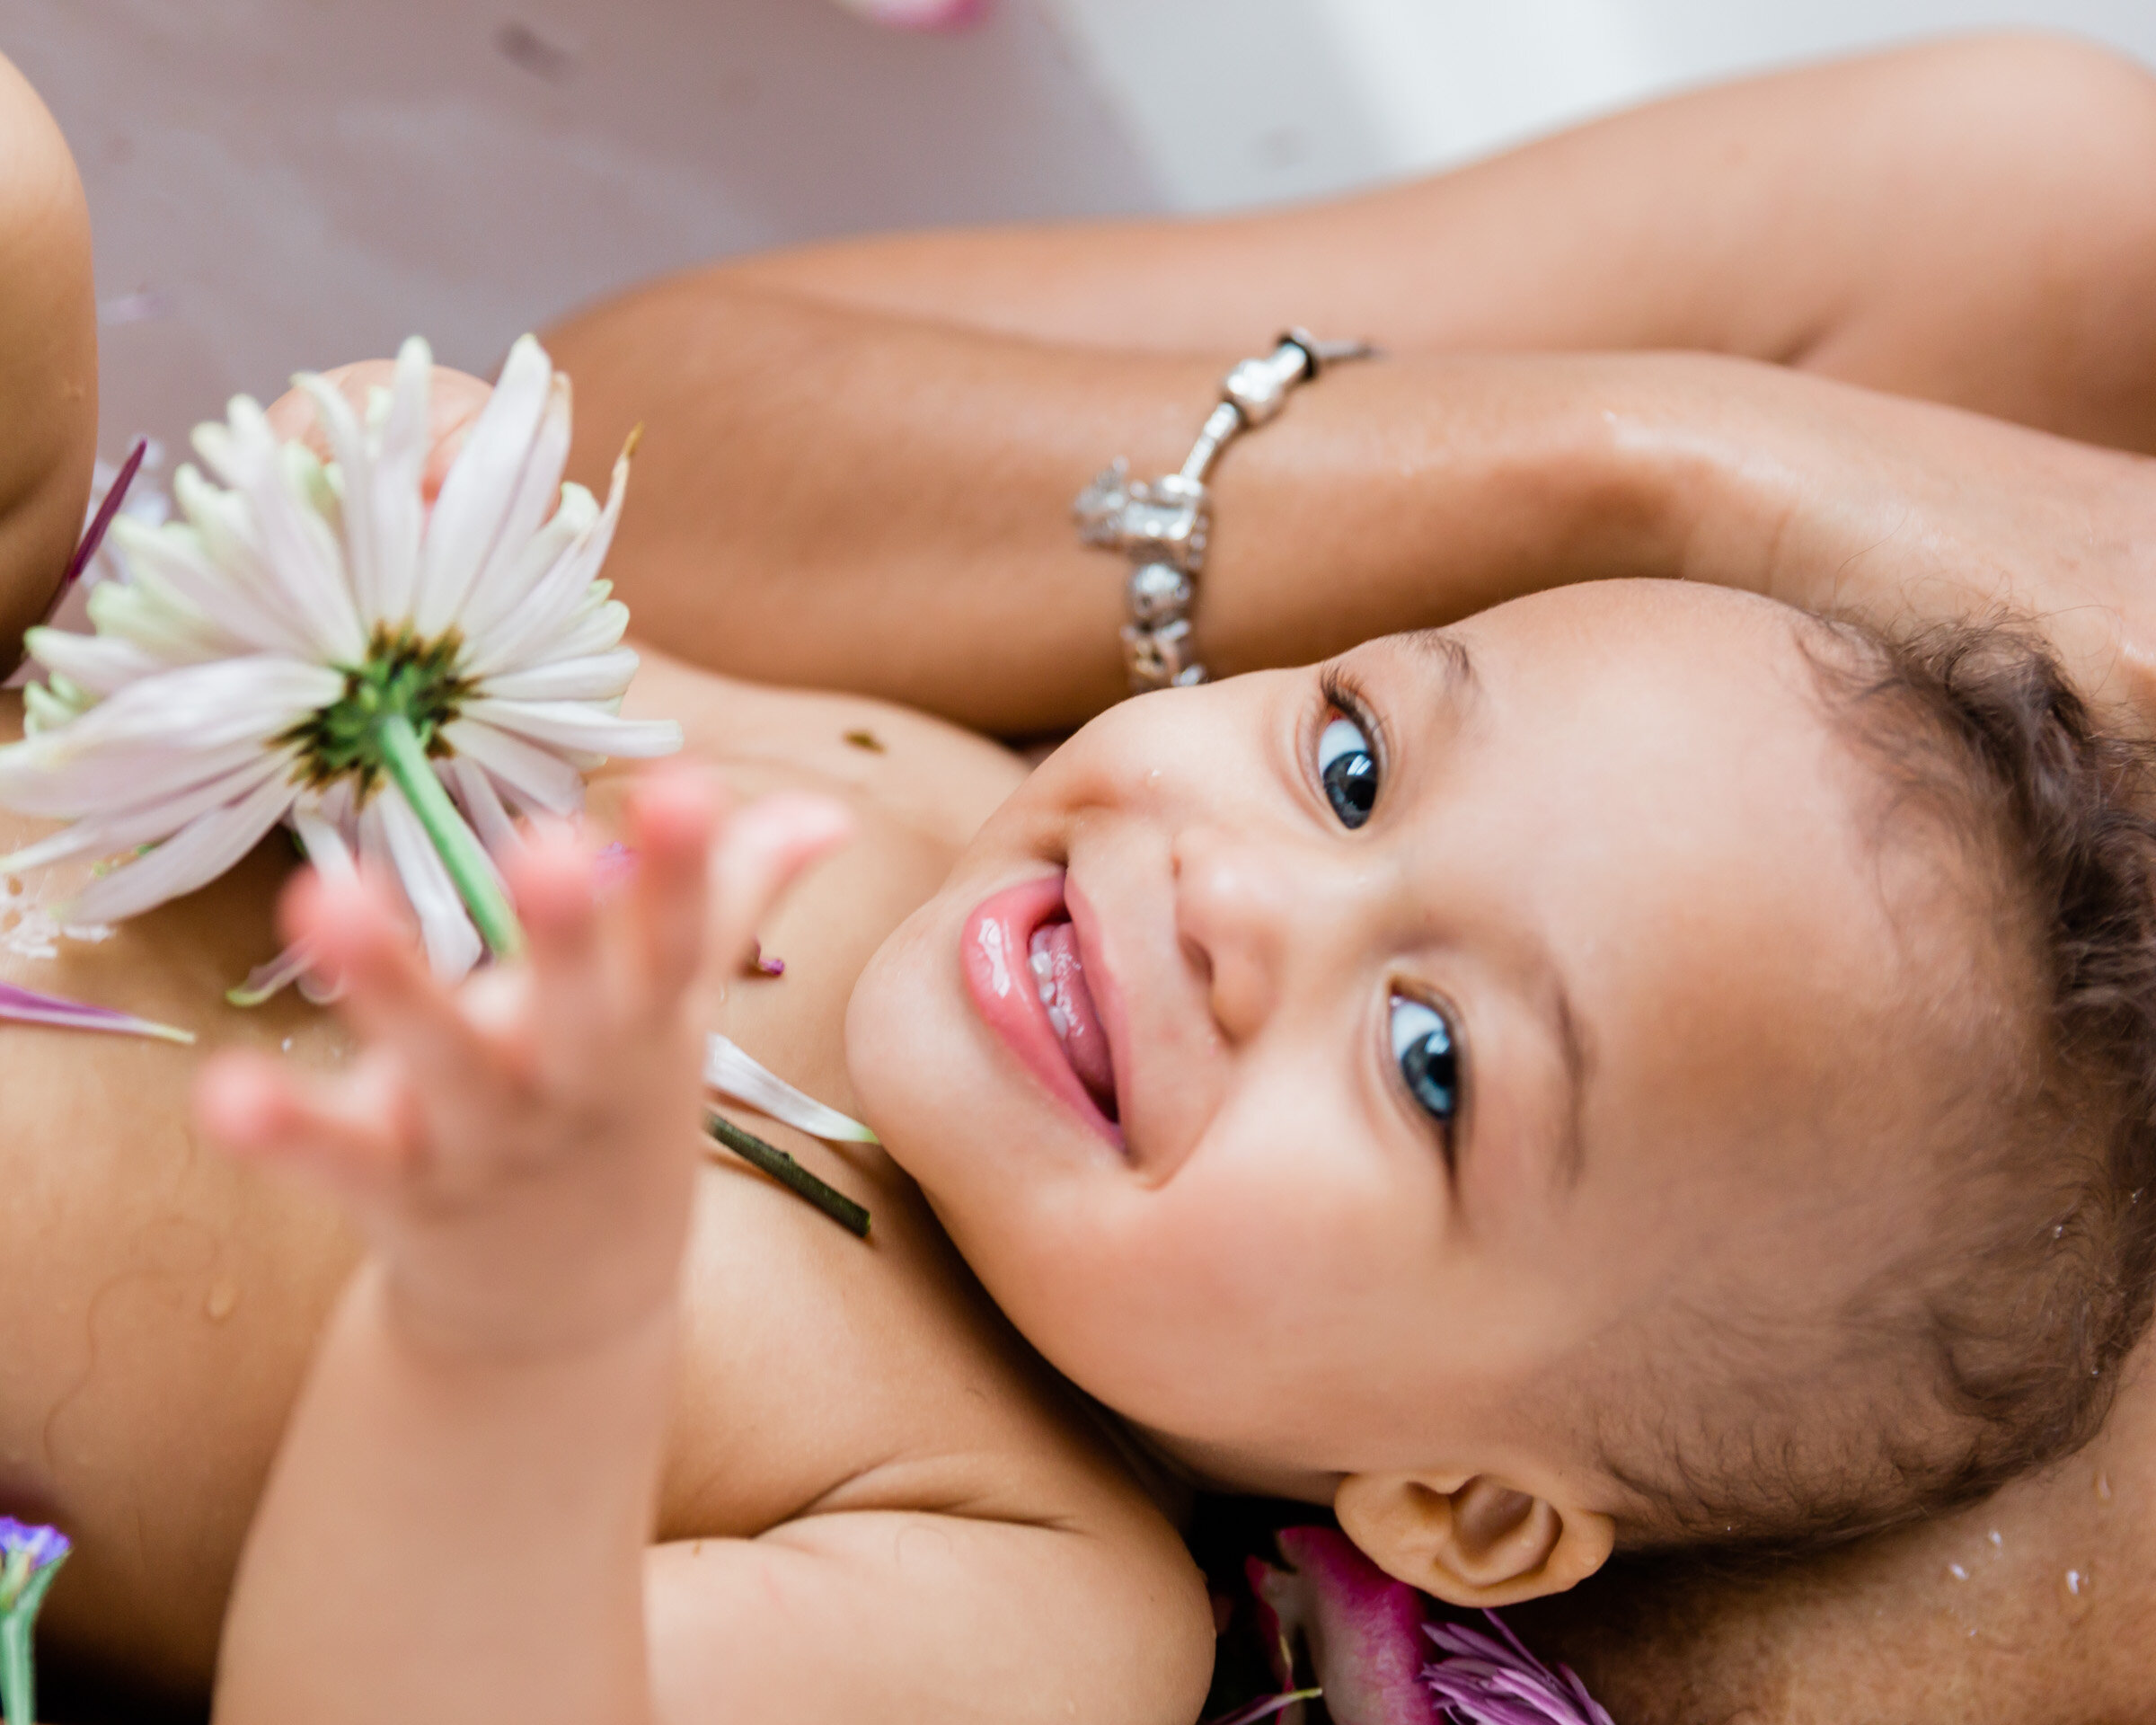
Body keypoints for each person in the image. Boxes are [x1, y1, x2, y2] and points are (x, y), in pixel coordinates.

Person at [3, 31, 2155, 1725]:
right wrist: (402, 508)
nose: (1246, 906)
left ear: (1461, 1514)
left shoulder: (1019, 1582)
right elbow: (569, 530)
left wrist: (505, 1347)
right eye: (1347, 759)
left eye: (1428, 1064)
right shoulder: (920, 788)